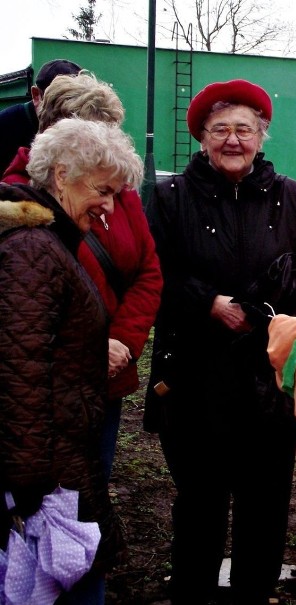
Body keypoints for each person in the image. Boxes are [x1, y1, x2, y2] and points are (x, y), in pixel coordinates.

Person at [144, 79, 296, 605]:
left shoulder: (292, 197)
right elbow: (152, 272)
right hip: (193, 375)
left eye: (244, 130)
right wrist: (207, 301)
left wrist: (285, 315)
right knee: (200, 502)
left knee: (265, 504)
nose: (233, 141)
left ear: (262, 135)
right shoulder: (168, 197)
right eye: (220, 130)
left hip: (268, 379)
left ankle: (255, 592)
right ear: (201, 139)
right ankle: (192, 593)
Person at [0, 117, 143, 604]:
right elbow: (20, 372)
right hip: (49, 474)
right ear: (61, 176)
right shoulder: (32, 251)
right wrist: (30, 488)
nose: (108, 206)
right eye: (103, 190)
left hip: (59, 459)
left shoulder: (45, 241)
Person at [2, 71, 162, 480]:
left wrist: (122, 341)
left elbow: (148, 269)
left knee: (92, 484)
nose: (104, 144)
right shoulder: (19, 207)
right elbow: (25, 331)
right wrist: (96, 348)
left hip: (105, 376)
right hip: (46, 396)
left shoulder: (113, 191)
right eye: (91, 133)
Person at [0, 59, 81, 172]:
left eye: (76, 101)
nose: (68, 112)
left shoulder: (84, 126)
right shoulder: (5, 125)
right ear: (36, 95)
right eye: (57, 101)